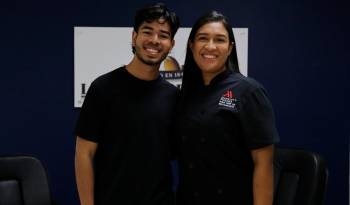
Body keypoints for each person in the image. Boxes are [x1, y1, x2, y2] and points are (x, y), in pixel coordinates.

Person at [74, 3, 180, 205]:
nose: (154, 40)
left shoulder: (173, 96)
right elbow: (83, 154)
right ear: (134, 37)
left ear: (171, 44)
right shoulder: (103, 88)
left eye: (163, 35)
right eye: (147, 31)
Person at [176, 11, 279, 205]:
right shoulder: (186, 95)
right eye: (203, 38)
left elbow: (263, 164)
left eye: (220, 40)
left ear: (230, 48)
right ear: (191, 45)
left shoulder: (249, 91)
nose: (210, 46)